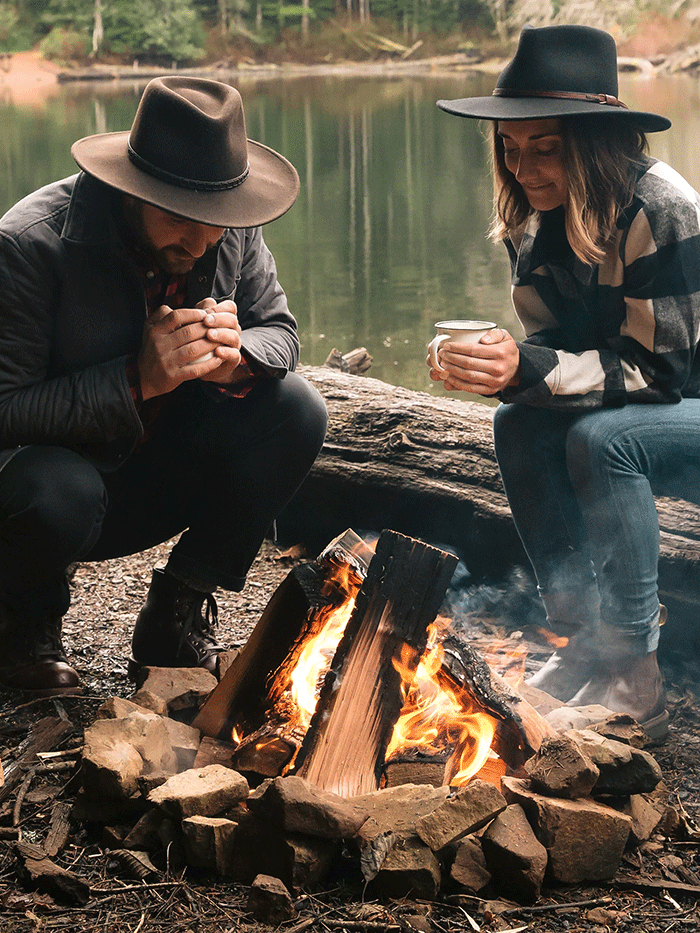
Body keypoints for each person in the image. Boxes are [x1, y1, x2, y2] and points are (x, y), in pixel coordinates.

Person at [0, 76, 328, 696]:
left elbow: (280, 332)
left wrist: (240, 361)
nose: (205, 240)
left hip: (150, 476)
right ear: (131, 192)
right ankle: (22, 630)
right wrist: (136, 381)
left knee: (297, 410)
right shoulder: (27, 244)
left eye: (218, 223)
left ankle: (176, 612)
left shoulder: (229, 223)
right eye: (183, 219)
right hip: (48, 494)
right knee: (54, 489)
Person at [429, 24, 700, 742]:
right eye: (511, 150)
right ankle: (577, 638)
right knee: (517, 422)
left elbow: (661, 371)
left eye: (544, 148)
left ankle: (634, 666)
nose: (523, 168)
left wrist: (532, 368)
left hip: (684, 399)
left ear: (592, 142)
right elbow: (555, 351)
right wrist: (503, 364)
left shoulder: (661, 206)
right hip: (645, 399)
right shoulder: (534, 218)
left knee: (605, 440)